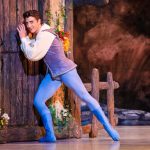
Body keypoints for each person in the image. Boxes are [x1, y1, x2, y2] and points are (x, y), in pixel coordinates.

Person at [17, 10, 120, 143]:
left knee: (85, 96)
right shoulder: (40, 34)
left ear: (39, 22)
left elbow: (32, 55)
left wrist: (23, 38)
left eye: (32, 22)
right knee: (38, 101)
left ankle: (108, 127)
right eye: (27, 23)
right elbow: (34, 48)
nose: (29, 25)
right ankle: (50, 135)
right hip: (53, 75)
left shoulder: (44, 35)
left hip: (66, 71)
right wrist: (27, 39)